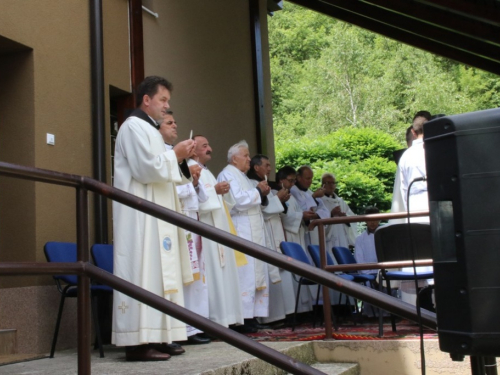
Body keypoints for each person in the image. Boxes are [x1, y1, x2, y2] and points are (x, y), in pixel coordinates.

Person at [112, 76, 196, 361]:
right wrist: (176, 153)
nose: (167, 105)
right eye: (162, 99)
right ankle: (136, 343)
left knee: (158, 277)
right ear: (146, 100)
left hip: (157, 216)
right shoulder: (133, 127)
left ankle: (160, 336)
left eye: (167, 101)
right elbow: (147, 169)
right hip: (140, 218)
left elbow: (167, 169)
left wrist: (180, 158)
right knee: (143, 273)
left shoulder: (151, 130)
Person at [158, 112, 211, 345]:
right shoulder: (163, 155)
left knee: (197, 277)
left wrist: (194, 181)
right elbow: (168, 190)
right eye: (170, 122)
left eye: (175, 122)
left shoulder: (182, 160)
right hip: (178, 221)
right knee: (184, 276)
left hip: (192, 221)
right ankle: (185, 328)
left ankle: (196, 325)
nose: (175, 125)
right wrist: (188, 179)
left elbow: (198, 197)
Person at [188, 135, 244, 329]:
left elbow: (221, 201)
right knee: (211, 276)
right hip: (205, 230)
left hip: (217, 227)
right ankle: (215, 321)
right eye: (205, 146)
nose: (210, 148)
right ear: (193, 150)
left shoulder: (206, 171)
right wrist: (215, 191)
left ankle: (226, 319)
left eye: (209, 144)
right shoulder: (190, 169)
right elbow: (195, 201)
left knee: (223, 275)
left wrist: (222, 192)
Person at [217, 141, 271, 326]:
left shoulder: (243, 176)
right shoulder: (227, 174)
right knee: (245, 274)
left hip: (253, 227)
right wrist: (258, 191)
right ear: (234, 159)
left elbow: (253, 199)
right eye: (246, 156)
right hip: (241, 228)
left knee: (256, 272)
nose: (249, 159)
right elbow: (237, 201)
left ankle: (253, 315)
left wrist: (262, 193)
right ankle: (243, 319)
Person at [247, 155, 294, 325]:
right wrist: (277, 199)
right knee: (268, 271)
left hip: (275, 230)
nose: (269, 168)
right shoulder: (252, 185)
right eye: (266, 165)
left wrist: (280, 200)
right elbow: (262, 210)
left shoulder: (267, 185)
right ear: (256, 167)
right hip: (264, 231)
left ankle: (281, 314)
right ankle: (269, 317)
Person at [397, 112, 434, 306]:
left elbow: (403, 189)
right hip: (432, 205)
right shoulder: (433, 150)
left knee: (420, 256)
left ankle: (424, 302)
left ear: (412, 131)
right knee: (435, 253)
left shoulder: (406, 155)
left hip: (414, 207)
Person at [276, 166, 314, 314]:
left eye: (293, 181)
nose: (292, 184)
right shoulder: (276, 195)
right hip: (288, 236)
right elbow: (283, 217)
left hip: (297, 235)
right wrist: (301, 216)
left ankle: (304, 309)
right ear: (281, 180)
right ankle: (296, 310)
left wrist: (304, 217)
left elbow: (297, 213)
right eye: (290, 181)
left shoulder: (290, 195)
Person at [289, 166, 330, 248]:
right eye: (308, 178)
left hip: (315, 232)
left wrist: (315, 215)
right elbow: (300, 209)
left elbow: (326, 212)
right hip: (302, 232)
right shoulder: (293, 191)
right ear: (299, 177)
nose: (310, 181)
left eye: (311, 178)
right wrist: (314, 197)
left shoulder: (309, 192)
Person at [320, 173, 357, 254]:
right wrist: (331, 214)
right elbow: (317, 222)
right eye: (328, 183)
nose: (331, 185)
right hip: (328, 241)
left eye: (333, 183)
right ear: (322, 185)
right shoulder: (319, 201)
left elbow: (353, 218)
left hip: (342, 238)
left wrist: (345, 217)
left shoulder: (341, 202)